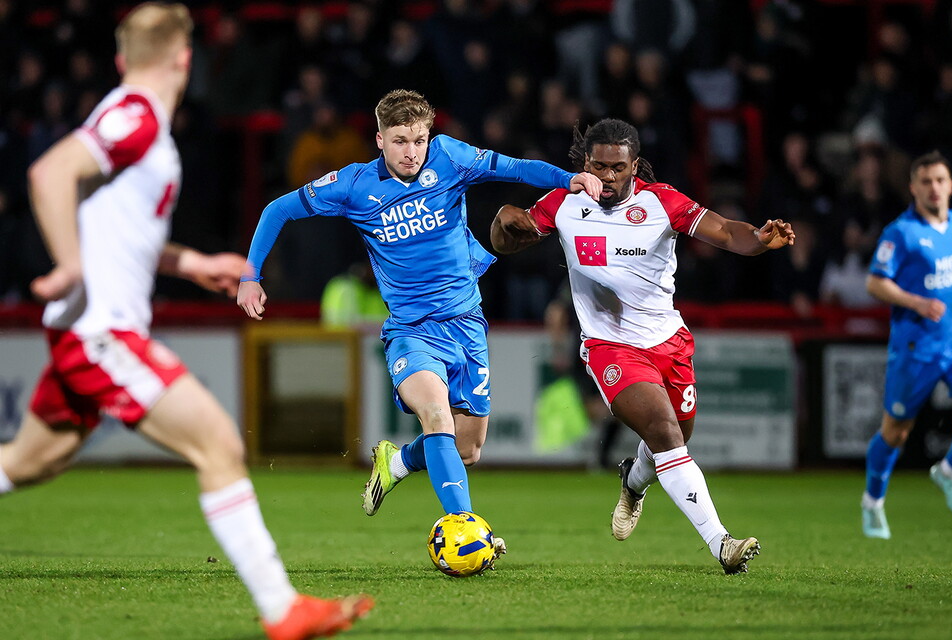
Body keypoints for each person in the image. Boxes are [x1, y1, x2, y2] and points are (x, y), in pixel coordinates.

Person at [0, 5, 373, 639]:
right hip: (102, 331)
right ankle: (282, 609)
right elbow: (48, 172)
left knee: (29, 463)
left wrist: (190, 261)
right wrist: (67, 265)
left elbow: (115, 226)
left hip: (85, 330)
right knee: (220, 443)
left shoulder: (131, 120)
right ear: (184, 58)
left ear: (121, 58)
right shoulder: (137, 115)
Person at [237, 90, 602, 540]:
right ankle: (465, 527)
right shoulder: (353, 185)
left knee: (467, 450)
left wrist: (570, 179)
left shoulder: (450, 157)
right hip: (411, 331)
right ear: (379, 140)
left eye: (419, 139)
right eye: (400, 141)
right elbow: (278, 209)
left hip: (466, 323)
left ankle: (399, 461)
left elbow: (516, 167)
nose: (412, 151)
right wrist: (250, 275)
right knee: (436, 416)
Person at [490, 118, 795, 574]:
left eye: (617, 167)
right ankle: (721, 544)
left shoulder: (662, 201)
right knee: (666, 434)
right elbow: (508, 242)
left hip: (668, 342)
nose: (607, 177)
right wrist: (502, 222)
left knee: (672, 439)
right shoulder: (565, 204)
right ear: (585, 164)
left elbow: (728, 231)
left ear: (635, 166)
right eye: (598, 166)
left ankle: (634, 481)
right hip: (609, 346)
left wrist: (759, 239)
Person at [861, 150, 952, 539]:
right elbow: (874, 282)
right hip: (916, 347)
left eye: (940, 180)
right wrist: (916, 301)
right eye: (926, 181)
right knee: (896, 432)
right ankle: (873, 501)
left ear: (950, 185)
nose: (934, 188)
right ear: (913, 187)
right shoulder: (900, 232)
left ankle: (950, 471)